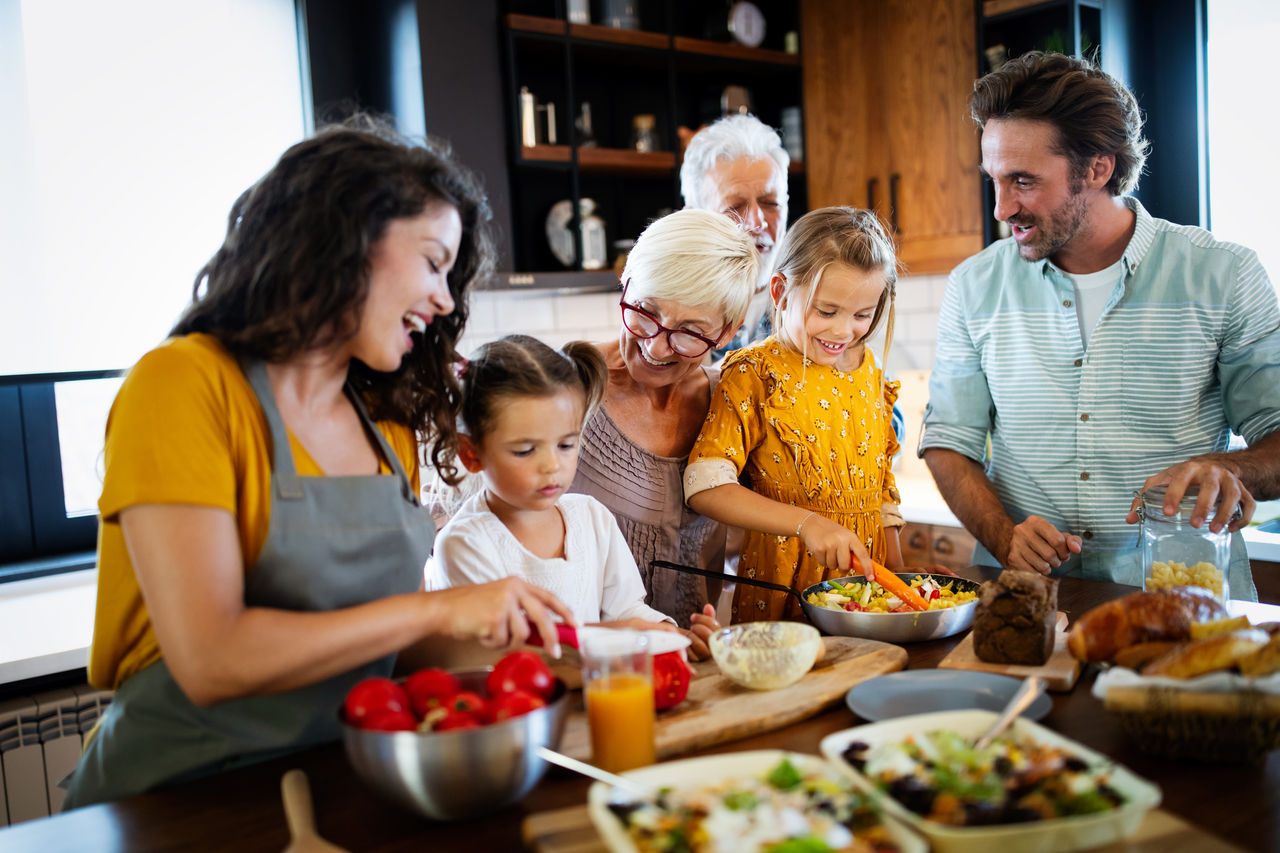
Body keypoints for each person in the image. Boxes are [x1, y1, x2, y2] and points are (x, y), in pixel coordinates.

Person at [63, 116, 576, 809]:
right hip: (174, 801)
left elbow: (383, 652)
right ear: (345, 237)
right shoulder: (181, 385)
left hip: (336, 782)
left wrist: (566, 656)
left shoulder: (385, 422)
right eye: (432, 261)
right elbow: (212, 657)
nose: (446, 298)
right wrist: (435, 611)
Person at [920, 52, 1280, 599]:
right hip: (1029, 606)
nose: (1000, 208)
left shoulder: (1224, 274)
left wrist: (1221, 467)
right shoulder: (974, 285)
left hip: (1181, 601)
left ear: (1098, 168)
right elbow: (949, 442)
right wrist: (1003, 536)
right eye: (994, 179)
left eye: (1023, 181)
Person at [684, 207, 904, 623]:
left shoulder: (870, 371)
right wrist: (807, 523)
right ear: (781, 290)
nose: (843, 332)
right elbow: (704, 486)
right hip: (783, 594)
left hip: (868, 596)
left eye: (862, 315)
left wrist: (900, 577)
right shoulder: (754, 373)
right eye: (826, 311)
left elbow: (881, 488)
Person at [569, 208, 759, 645]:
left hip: (688, 665)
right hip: (582, 668)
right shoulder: (563, 384)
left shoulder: (730, 404)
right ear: (626, 282)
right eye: (645, 311)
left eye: (690, 331)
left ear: (727, 332)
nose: (655, 346)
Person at [431, 335, 679, 637]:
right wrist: (618, 634)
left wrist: (670, 633)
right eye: (524, 450)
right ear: (471, 454)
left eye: (566, 444)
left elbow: (628, 611)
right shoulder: (465, 544)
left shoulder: (592, 517)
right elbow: (509, 655)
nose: (552, 465)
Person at [679, 113, 789, 358]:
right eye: (734, 207)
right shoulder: (671, 324)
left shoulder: (818, 311)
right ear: (694, 219)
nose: (757, 222)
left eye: (771, 203)